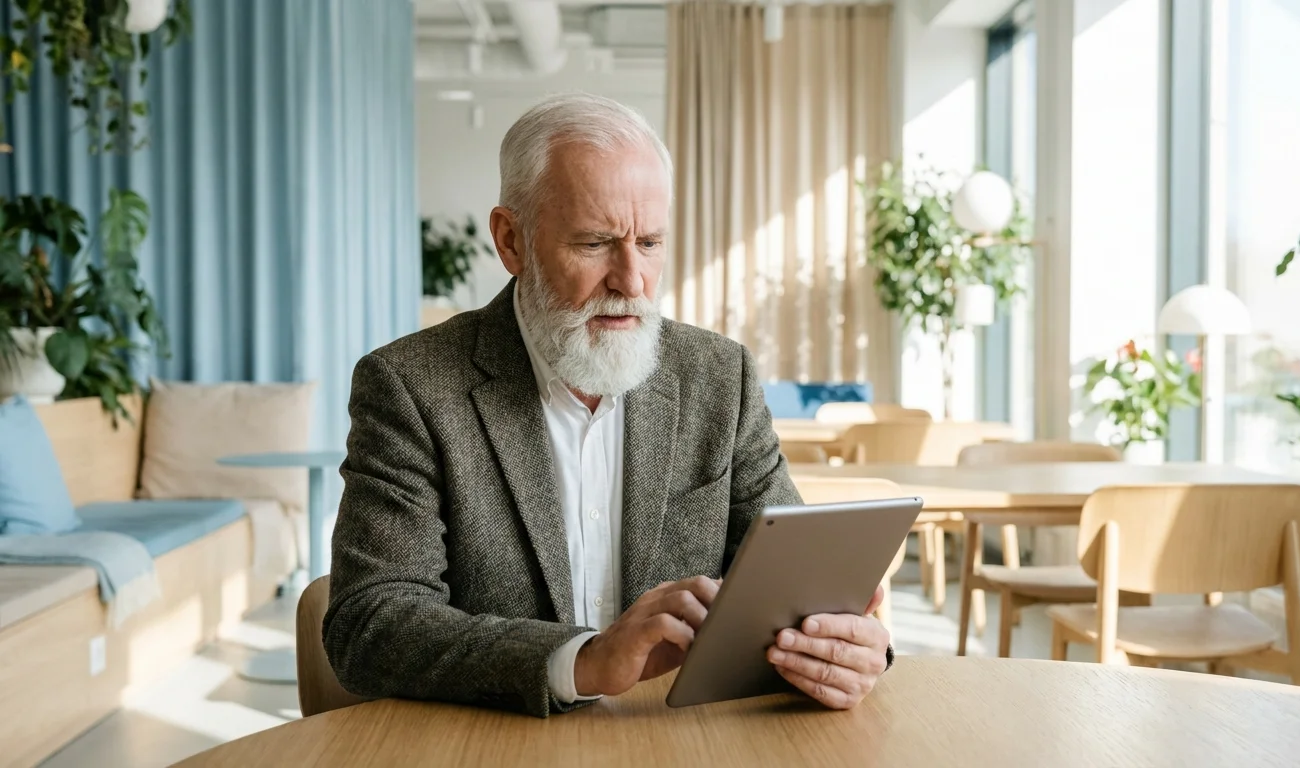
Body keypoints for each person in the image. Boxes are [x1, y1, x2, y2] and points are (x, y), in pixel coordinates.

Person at [323, 93, 892, 718]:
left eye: (649, 242)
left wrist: (846, 649)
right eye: (596, 243)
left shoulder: (718, 376)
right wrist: (580, 660)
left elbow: (789, 585)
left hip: (681, 745)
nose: (632, 280)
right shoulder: (409, 385)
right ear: (511, 241)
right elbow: (370, 624)